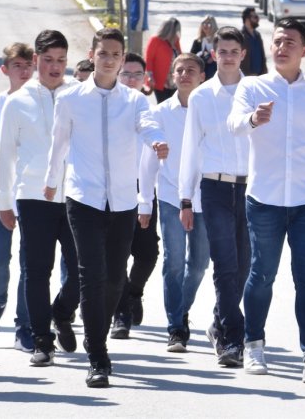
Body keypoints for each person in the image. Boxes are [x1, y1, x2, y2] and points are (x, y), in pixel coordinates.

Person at [44, 27, 167, 388]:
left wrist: (157, 141)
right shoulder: (71, 98)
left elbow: (147, 126)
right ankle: (97, 354)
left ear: (122, 57)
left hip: (123, 201)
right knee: (91, 275)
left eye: (116, 54)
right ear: (93, 54)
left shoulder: (135, 101)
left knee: (115, 279)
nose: (110, 59)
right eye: (103, 53)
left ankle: (61, 312)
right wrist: (51, 183)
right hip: (83, 198)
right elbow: (59, 143)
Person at [228, 17, 305, 384]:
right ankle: (254, 344)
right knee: (262, 274)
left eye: (290, 42)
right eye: (277, 41)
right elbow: (233, 124)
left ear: (304, 50)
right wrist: (253, 120)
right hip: (265, 198)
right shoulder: (253, 87)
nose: (282, 47)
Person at [179, 26, 252, 368]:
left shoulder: (256, 92)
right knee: (224, 264)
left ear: (242, 54)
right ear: (214, 54)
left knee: (246, 265)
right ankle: (232, 340)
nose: (226, 57)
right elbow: (190, 149)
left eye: (232, 51)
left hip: (252, 189)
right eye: (221, 51)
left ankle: (218, 321)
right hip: (215, 187)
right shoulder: (201, 97)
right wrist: (185, 199)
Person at [0, 36, 65, 361]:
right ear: (38, 60)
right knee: (36, 270)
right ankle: (40, 338)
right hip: (31, 197)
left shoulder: (76, 96)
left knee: (86, 270)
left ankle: (62, 313)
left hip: (76, 197)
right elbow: (5, 156)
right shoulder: (17, 101)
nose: (54, 67)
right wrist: (4, 202)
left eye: (61, 60)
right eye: (48, 59)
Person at [139, 53, 208, 353]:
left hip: (206, 198)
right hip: (169, 197)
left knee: (199, 263)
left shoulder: (210, 109)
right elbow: (148, 160)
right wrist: (145, 202)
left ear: (202, 76)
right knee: (174, 261)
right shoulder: (161, 112)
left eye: (191, 70)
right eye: (179, 70)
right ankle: (176, 327)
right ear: (172, 77)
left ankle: (181, 309)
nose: (184, 74)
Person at [110, 53, 161, 339]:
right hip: (111, 192)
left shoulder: (150, 112)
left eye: (136, 74)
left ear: (145, 80)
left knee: (147, 253)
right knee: (116, 256)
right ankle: (121, 313)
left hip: (143, 190)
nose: (130, 79)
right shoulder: (107, 107)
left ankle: (133, 291)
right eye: (125, 73)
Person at [146, 17, 182, 102]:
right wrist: (150, 76)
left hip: (174, 81)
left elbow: (181, 56)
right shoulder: (155, 40)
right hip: (161, 81)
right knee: (163, 105)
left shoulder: (175, 41)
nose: (177, 33)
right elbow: (149, 59)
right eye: (175, 30)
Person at [240, 7, 268, 77]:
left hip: (260, 76)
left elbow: (262, 56)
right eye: (255, 17)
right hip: (246, 77)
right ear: (247, 20)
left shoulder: (257, 35)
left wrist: (264, 72)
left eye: (257, 16)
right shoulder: (240, 37)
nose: (258, 19)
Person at [191, 16, 219, 80]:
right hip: (200, 72)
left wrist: (213, 57)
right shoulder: (197, 41)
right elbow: (191, 56)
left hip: (214, 73)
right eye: (203, 23)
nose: (205, 26)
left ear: (213, 26)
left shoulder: (218, 40)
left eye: (208, 24)